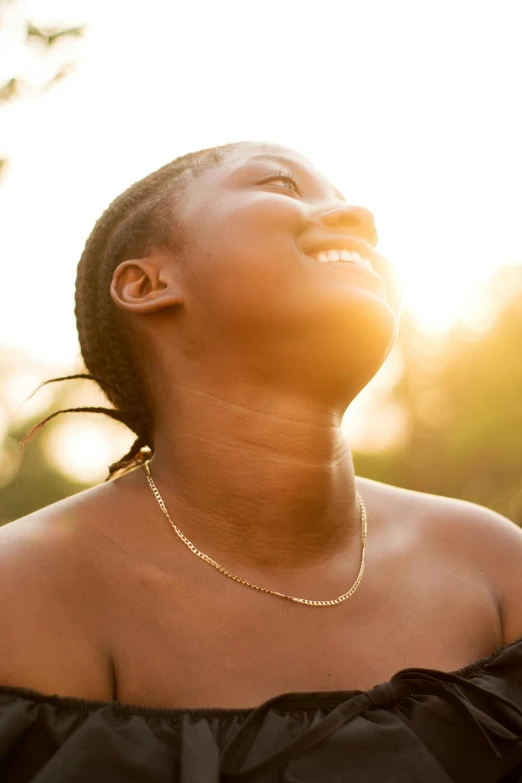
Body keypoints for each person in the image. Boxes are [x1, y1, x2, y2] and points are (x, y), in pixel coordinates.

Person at [1, 141, 522, 782]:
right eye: (281, 184)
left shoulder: (495, 568)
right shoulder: (25, 599)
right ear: (149, 283)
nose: (360, 215)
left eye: (345, 197)